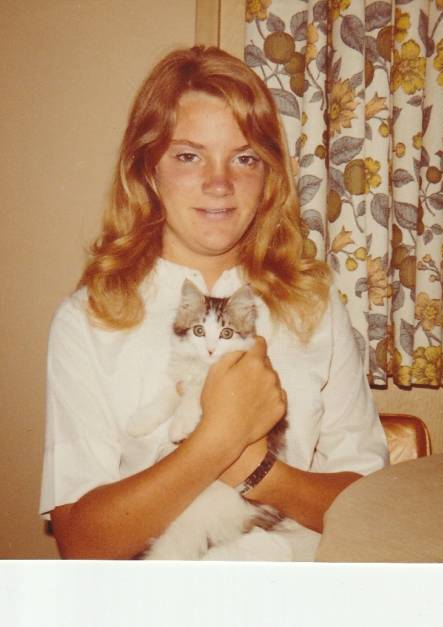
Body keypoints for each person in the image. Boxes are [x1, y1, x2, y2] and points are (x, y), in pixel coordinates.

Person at [40, 46, 389, 561]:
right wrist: (217, 440)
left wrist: (258, 470)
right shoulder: (90, 319)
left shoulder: (311, 306)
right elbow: (82, 543)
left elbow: (371, 505)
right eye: (189, 156)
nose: (220, 183)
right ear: (147, 169)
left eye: (244, 158)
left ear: (268, 177)